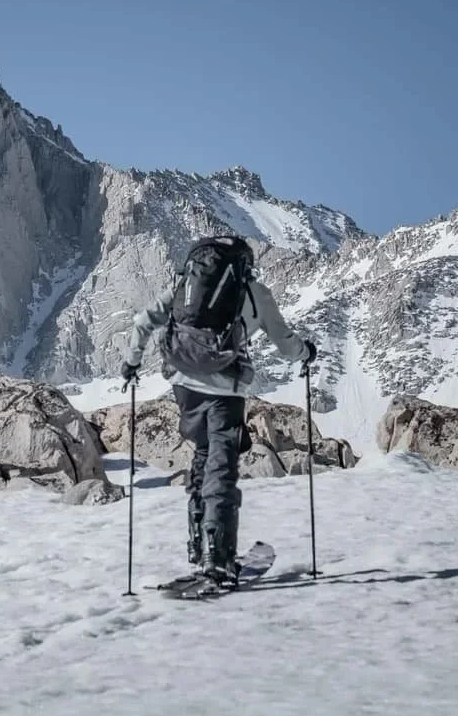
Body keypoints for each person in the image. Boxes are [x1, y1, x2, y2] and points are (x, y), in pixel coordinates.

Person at [120, 234, 316, 583]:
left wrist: (131, 363)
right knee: (222, 467)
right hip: (226, 388)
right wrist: (307, 354)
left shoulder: (188, 287)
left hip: (184, 383)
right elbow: (286, 345)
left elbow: (142, 322)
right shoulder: (255, 293)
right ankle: (219, 556)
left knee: (203, 455)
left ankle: (199, 544)